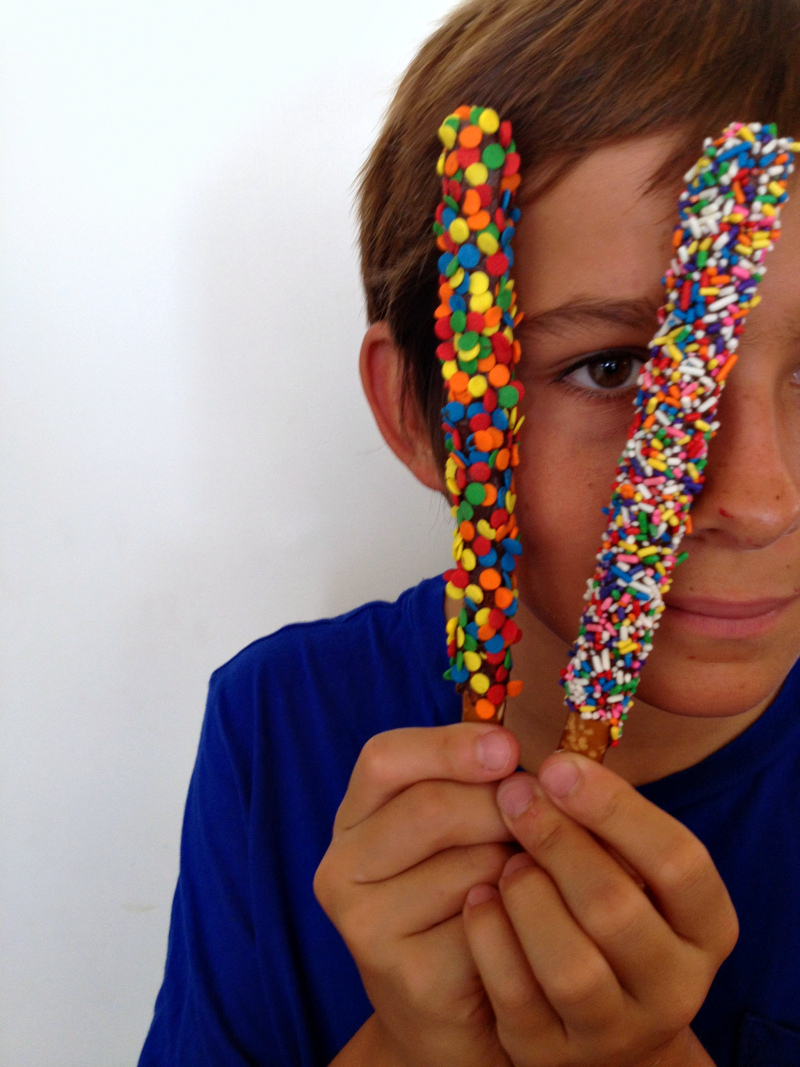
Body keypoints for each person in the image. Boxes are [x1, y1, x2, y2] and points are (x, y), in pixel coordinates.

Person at [138, 0, 800, 1064]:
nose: (758, 496)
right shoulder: (278, 724)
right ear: (418, 415)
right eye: (615, 368)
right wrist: (407, 1042)